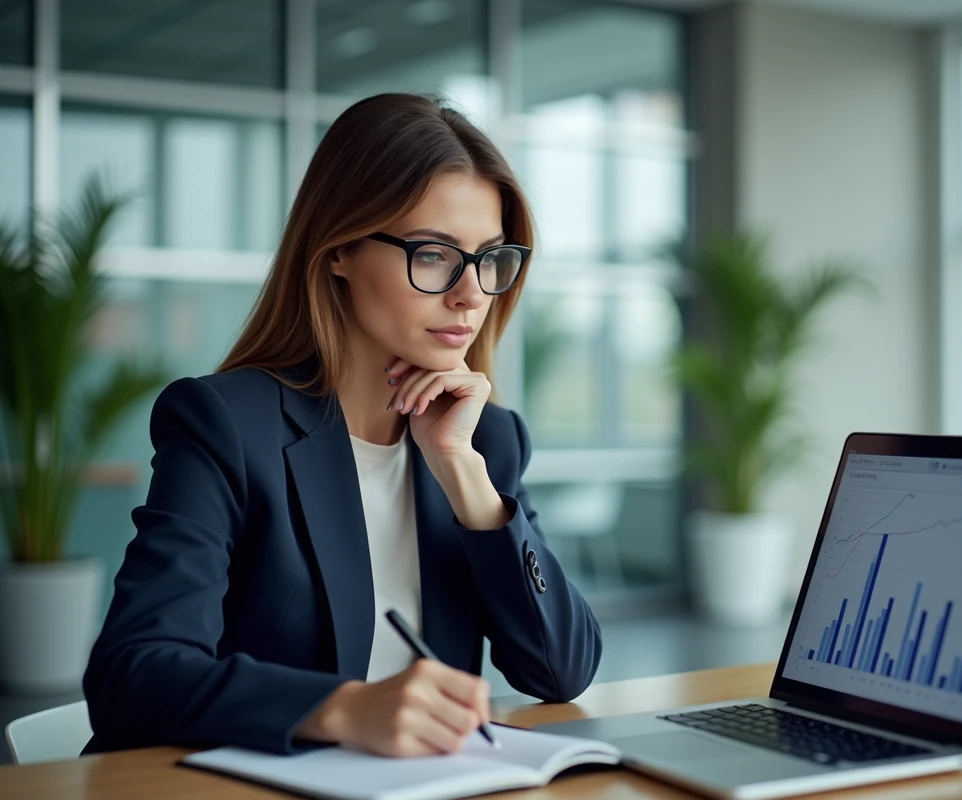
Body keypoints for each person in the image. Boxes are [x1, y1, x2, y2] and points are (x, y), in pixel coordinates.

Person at [82, 93, 602, 759]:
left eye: (490, 258)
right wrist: (344, 709)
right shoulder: (227, 426)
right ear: (339, 252)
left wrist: (466, 476)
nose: (471, 293)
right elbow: (133, 677)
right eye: (435, 254)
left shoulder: (486, 439)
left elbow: (562, 673)